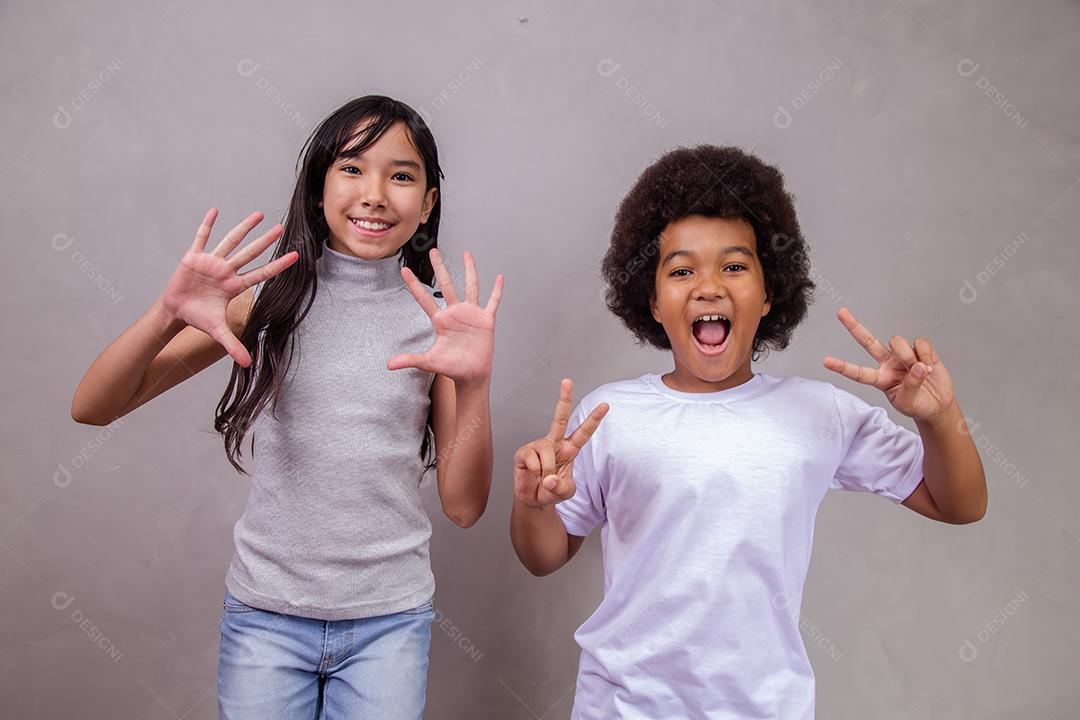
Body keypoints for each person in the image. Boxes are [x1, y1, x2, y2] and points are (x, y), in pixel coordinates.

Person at [510, 145, 986, 719]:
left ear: (768, 293)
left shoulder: (819, 412)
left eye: (734, 266)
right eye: (682, 271)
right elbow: (543, 557)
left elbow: (959, 503)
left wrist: (939, 418)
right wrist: (533, 506)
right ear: (654, 302)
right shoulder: (609, 414)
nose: (708, 286)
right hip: (624, 707)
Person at [71, 95, 503, 719]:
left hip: (388, 622)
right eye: (352, 167)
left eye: (402, 175)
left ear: (429, 201)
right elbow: (93, 406)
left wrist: (477, 385)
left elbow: (464, 508)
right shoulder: (268, 304)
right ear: (318, 184)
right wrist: (166, 314)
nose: (376, 193)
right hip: (267, 619)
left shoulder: (438, 323)